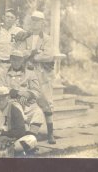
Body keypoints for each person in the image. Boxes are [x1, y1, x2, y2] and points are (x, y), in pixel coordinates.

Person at [26, 10, 56, 144]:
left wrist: (33, 56)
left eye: (37, 21)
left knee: (47, 102)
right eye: (33, 20)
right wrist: (31, 53)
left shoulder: (47, 38)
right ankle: (30, 133)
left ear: (42, 23)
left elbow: (49, 55)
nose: (34, 23)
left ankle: (51, 134)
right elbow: (20, 52)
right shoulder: (25, 37)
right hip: (27, 74)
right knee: (27, 101)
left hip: (42, 75)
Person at [0, 50, 44, 138]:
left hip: (27, 101)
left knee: (38, 112)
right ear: (10, 60)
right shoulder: (3, 73)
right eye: (14, 59)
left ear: (23, 60)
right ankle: (23, 136)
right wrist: (18, 94)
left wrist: (28, 94)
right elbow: (1, 89)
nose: (16, 62)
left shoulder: (30, 73)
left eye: (19, 60)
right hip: (12, 101)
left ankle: (32, 136)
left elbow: (36, 90)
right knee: (18, 112)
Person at [0, 86, 38, 155]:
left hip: (10, 140)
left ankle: (11, 150)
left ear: (8, 98)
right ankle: (7, 151)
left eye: (3, 98)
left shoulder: (15, 110)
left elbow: (21, 132)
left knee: (31, 139)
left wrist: (2, 133)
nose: (1, 102)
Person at [0, 8, 30, 84]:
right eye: (7, 17)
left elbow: (28, 41)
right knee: (1, 91)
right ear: (3, 17)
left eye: (12, 18)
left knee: (14, 89)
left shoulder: (19, 31)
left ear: (15, 20)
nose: (9, 19)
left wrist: (27, 33)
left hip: (13, 66)